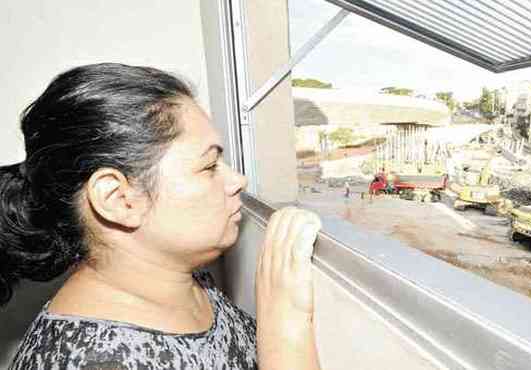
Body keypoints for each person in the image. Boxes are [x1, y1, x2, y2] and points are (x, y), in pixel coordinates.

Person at [1, 63, 322, 370]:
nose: (237, 181)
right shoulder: (92, 361)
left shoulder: (180, 276)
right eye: (209, 166)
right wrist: (285, 334)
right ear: (118, 199)